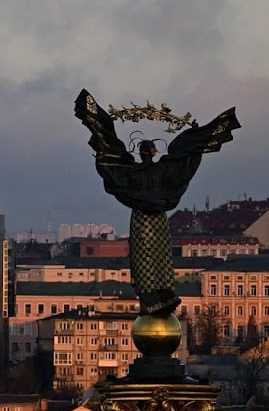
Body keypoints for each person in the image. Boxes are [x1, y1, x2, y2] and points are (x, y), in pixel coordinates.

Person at [75, 89, 239, 316]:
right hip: (158, 219)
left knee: (144, 256)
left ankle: (152, 296)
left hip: (142, 220)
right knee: (159, 255)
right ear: (153, 151)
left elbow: (110, 162)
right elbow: (184, 163)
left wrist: (102, 136)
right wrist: (194, 140)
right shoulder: (164, 170)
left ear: (141, 152)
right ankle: (161, 293)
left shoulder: (130, 172)